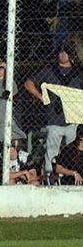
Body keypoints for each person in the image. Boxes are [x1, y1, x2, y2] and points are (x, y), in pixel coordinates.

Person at [24, 44, 83, 176]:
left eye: (65, 52)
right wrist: (41, 97)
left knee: (74, 152)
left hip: (74, 120)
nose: (61, 54)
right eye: (59, 52)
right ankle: (50, 177)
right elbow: (28, 83)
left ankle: (72, 176)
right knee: (51, 152)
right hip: (54, 119)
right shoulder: (49, 71)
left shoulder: (78, 72)